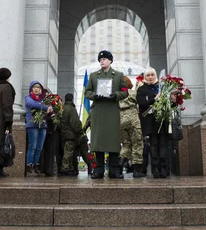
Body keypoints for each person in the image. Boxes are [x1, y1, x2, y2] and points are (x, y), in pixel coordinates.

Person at [84, 50, 128, 179]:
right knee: (98, 140)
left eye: (104, 59)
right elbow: (87, 92)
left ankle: (114, 169)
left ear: (110, 61)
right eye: (100, 59)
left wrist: (116, 95)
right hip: (98, 110)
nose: (102, 61)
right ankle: (98, 169)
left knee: (113, 140)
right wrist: (94, 96)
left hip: (112, 110)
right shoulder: (93, 76)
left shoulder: (119, 75)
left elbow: (125, 91)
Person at [136, 67, 170, 178]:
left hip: (162, 120)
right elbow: (142, 103)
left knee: (163, 144)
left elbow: (168, 102)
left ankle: (164, 168)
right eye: (148, 75)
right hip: (150, 122)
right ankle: (155, 168)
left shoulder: (163, 87)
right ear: (145, 77)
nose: (150, 77)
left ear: (156, 75)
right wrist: (155, 98)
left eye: (152, 75)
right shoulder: (142, 89)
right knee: (154, 144)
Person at [119, 76, 145, 178]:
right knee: (137, 143)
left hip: (121, 121)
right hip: (133, 120)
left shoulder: (118, 95)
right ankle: (137, 170)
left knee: (126, 144)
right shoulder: (133, 92)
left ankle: (120, 166)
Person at [24, 80, 52, 176]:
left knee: (39, 147)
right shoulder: (28, 98)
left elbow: (48, 111)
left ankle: (36, 166)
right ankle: (29, 167)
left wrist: (50, 111)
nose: (36, 89)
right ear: (31, 89)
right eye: (34, 87)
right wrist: (45, 107)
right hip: (33, 125)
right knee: (33, 146)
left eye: (38, 88)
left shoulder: (44, 100)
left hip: (43, 125)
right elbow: (33, 104)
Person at [59, 93, 84, 175]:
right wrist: (79, 131)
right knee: (68, 153)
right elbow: (75, 123)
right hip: (70, 135)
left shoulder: (62, 108)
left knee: (65, 152)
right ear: (72, 99)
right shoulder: (71, 109)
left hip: (63, 134)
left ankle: (67, 168)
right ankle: (65, 169)